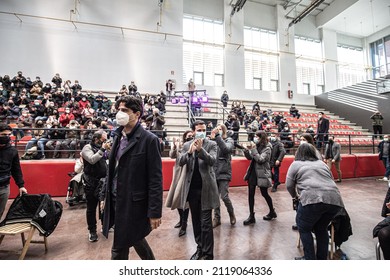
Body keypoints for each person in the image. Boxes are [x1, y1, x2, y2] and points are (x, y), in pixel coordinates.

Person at [102, 95, 162, 260]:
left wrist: (155, 211)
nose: (119, 113)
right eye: (119, 110)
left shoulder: (150, 140)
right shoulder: (117, 136)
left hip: (134, 204)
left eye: (124, 110)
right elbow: (112, 170)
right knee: (134, 238)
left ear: (137, 114)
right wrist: (104, 196)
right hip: (115, 199)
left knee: (119, 247)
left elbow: (155, 179)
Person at [286, 143, 344, 260]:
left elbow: (289, 185)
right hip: (335, 201)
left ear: (298, 153)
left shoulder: (296, 164)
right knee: (321, 228)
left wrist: (295, 196)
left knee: (304, 227)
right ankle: (321, 259)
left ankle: (309, 258)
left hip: (311, 199)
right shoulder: (321, 164)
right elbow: (330, 180)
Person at [179, 120, 220, 260]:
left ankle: (208, 255)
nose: (202, 132)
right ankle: (200, 248)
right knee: (196, 222)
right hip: (192, 190)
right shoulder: (186, 145)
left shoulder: (212, 144)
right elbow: (180, 161)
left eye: (204, 129)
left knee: (206, 224)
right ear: (193, 131)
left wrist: (200, 150)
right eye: (199, 130)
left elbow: (213, 161)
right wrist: (190, 152)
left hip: (207, 190)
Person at [81, 131, 109, 242]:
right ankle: (92, 231)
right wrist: (103, 149)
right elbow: (92, 160)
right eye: (103, 140)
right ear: (96, 139)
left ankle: (105, 226)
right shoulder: (87, 148)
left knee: (104, 206)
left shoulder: (103, 147)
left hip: (103, 181)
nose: (105, 142)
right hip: (91, 182)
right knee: (91, 208)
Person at [243, 130, 276, 225]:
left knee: (264, 193)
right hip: (253, 172)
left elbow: (260, 160)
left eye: (257, 137)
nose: (255, 138)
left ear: (262, 137)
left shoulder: (267, 148)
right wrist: (246, 150)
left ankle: (272, 211)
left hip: (262, 173)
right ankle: (251, 216)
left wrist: (253, 149)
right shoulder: (256, 146)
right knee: (251, 194)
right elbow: (250, 158)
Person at [165, 130, 193, 237]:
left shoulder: (193, 146)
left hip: (186, 175)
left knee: (185, 201)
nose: (190, 137)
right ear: (185, 137)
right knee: (176, 198)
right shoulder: (180, 147)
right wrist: (175, 146)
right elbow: (172, 156)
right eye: (188, 136)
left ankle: (184, 225)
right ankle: (181, 220)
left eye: (192, 136)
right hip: (177, 175)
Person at [210, 124, 236, 228]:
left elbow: (226, 149)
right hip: (213, 172)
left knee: (224, 196)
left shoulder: (229, 140)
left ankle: (231, 214)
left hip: (224, 172)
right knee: (215, 197)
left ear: (224, 131)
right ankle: (217, 218)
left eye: (220, 129)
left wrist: (217, 137)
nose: (218, 131)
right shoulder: (213, 141)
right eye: (217, 129)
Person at [0, 124, 28, 220]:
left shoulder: (12, 151)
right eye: (4, 135)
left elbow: (16, 169)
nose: (7, 137)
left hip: (4, 187)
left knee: (0, 211)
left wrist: (21, 185)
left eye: (9, 135)